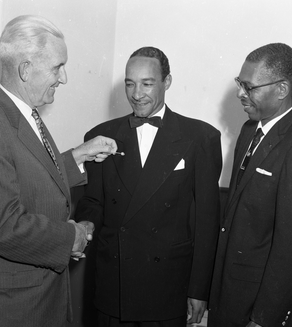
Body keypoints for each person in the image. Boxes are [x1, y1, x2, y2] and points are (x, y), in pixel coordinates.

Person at [74, 46, 222, 327]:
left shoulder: (201, 137)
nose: (137, 94)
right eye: (130, 84)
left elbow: (207, 221)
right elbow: (93, 202)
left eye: (147, 84)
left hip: (167, 286)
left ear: (167, 82)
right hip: (113, 283)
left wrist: (199, 290)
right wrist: (86, 227)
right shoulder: (99, 136)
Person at [0, 15, 118, 327]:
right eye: (57, 67)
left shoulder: (22, 113)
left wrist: (77, 156)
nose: (63, 78)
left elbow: (25, 174)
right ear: (26, 69)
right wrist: (72, 237)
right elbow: (4, 225)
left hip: (42, 297)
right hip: (19, 308)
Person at [208, 43, 292, 327]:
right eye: (240, 83)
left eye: (249, 87)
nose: (240, 93)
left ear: (282, 90)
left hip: (257, 310)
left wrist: (264, 319)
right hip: (227, 297)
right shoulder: (250, 131)